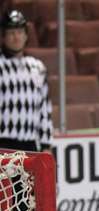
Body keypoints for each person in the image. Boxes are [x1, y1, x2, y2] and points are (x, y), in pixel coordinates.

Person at [0, 10, 52, 153]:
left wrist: (46, 144)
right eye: (11, 32)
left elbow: (44, 110)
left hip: (30, 145)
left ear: (26, 35)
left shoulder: (37, 67)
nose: (16, 37)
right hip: (3, 144)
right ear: (3, 37)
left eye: (19, 32)